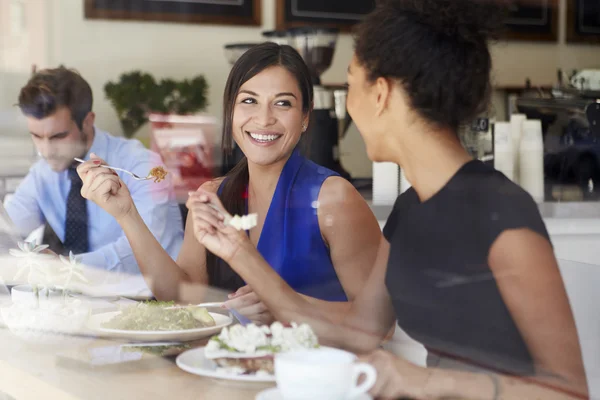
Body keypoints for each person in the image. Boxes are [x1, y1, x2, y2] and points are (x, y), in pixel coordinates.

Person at [183, 0, 589, 398]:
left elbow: (568, 391)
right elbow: (361, 330)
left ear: (381, 94)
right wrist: (240, 252)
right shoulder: (411, 209)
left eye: (350, 82)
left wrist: (424, 381)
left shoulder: (499, 210)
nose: (348, 107)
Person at [76, 43, 382, 323]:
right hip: (234, 370)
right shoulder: (213, 195)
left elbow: (376, 324)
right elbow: (180, 296)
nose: (264, 119)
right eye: (249, 100)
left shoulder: (334, 198)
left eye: (283, 104)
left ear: (305, 117)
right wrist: (126, 214)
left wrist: (280, 305)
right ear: (230, 110)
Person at [6, 66, 183, 275]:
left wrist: (65, 269)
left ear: (88, 121)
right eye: (36, 136)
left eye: (58, 136)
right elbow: (8, 230)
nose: (45, 151)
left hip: (156, 299)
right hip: (86, 301)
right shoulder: (42, 173)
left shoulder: (142, 166)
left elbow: (144, 254)